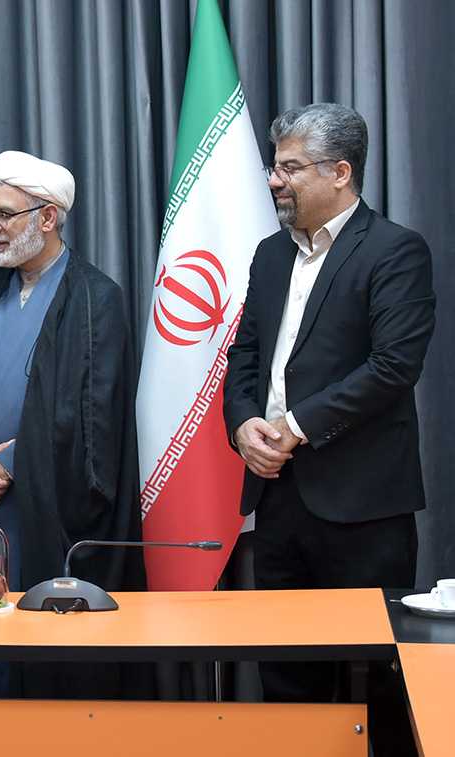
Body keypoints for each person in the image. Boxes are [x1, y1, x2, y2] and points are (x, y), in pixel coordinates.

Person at [223, 103, 434, 750]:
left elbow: (394, 366)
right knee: (288, 676)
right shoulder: (269, 254)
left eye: (290, 168)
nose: (274, 180)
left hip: (363, 508)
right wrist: (244, 424)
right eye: (275, 166)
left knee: (382, 680)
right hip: (278, 498)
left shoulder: (395, 250)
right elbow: (245, 356)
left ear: (340, 173)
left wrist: (296, 425)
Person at [0, 151, 143, 699]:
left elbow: (95, 419)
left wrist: (6, 464)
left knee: (28, 652)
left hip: (42, 503)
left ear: (47, 218)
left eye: (5, 215)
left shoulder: (95, 298)